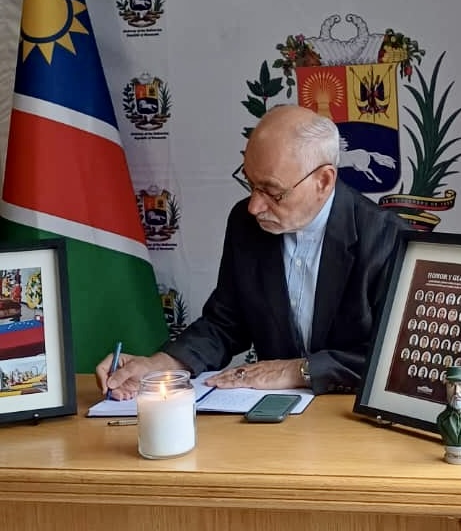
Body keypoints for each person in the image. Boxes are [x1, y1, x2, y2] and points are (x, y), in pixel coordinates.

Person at [96, 105, 407, 398]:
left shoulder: (386, 238)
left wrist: (298, 371)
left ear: (323, 181)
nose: (255, 206)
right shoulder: (245, 224)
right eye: (251, 185)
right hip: (272, 417)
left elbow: (396, 359)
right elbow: (225, 323)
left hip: (349, 413)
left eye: (272, 191)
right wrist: (163, 364)